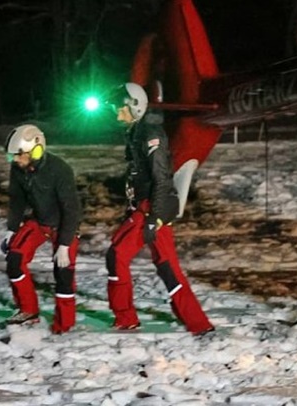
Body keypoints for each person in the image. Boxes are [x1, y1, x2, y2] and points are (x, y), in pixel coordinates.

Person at [105, 82, 214, 335]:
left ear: (135, 106)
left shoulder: (149, 133)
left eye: (118, 107)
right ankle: (198, 323)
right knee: (167, 266)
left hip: (151, 207)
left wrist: (154, 216)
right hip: (146, 207)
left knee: (117, 255)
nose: (115, 112)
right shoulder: (134, 133)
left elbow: (162, 177)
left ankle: (126, 318)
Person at [1, 124, 82, 334]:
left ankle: (65, 325)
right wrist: (12, 229)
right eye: (12, 157)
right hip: (39, 221)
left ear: (36, 150)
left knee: (63, 273)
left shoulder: (59, 169)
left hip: (64, 224)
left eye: (19, 156)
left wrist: (64, 243)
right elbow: (17, 200)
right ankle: (28, 311)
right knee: (14, 260)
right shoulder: (18, 169)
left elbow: (71, 209)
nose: (15, 161)